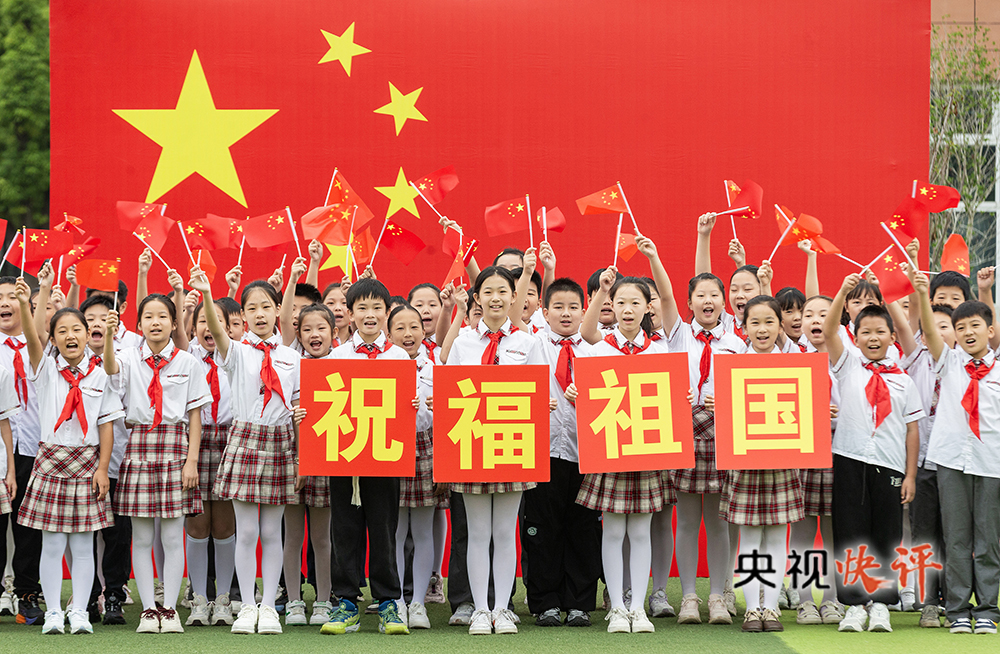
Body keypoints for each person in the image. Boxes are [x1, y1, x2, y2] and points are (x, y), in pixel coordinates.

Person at [188, 268, 300, 636]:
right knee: (247, 531)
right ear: (243, 316)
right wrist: (207, 294)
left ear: (277, 310)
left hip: (280, 441)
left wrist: (301, 457)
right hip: (245, 440)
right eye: (252, 308)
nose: (260, 314)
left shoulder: (291, 357)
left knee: (272, 532)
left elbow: (299, 408)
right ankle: (248, 605)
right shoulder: (236, 351)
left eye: (266, 306)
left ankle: (269, 607)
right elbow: (217, 332)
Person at [15, 278, 123, 634]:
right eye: (61, 331)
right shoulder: (45, 369)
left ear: (87, 334)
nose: (70, 336)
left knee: (83, 544)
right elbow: (32, 337)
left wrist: (103, 468)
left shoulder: (100, 374)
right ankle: (53, 612)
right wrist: (30, 300)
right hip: (50, 462)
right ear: (54, 338)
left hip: (87, 463)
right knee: (51, 544)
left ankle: (78, 612)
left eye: (76, 329)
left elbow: (106, 425)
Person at [443, 266, 545, 636]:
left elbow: (540, 391)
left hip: (512, 444)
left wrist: (543, 403)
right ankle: (480, 609)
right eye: (488, 291)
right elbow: (451, 389)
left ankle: (502, 608)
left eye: (503, 291)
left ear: (514, 297)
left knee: (504, 532)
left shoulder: (528, 343)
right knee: (477, 532)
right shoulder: (463, 343)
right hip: (472, 443)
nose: (496, 298)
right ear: (477, 298)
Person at [572, 261, 672, 634]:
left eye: (635, 303)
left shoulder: (659, 349)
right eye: (621, 303)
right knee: (613, 531)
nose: (628, 310)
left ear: (648, 307)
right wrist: (577, 394)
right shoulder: (599, 349)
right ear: (611, 306)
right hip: (610, 451)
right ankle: (616, 607)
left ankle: (638, 607)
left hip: (646, 451)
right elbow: (588, 399)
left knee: (641, 532)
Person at [103, 292, 211, 634]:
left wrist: (192, 461)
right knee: (142, 537)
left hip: (176, 446)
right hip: (139, 447)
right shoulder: (127, 357)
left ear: (174, 323)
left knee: (173, 536)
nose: (155, 322)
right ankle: (149, 609)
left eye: (162, 316)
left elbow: (196, 415)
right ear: (138, 324)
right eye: (148, 316)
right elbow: (110, 369)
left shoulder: (188, 362)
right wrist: (109, 336)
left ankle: (170, 609)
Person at [822, 273, 923, 633]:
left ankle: (881, 604)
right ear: (855, 337)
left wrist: (910, 475)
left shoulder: (904, 381)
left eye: (880, 331)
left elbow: (912, 431)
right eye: (865, 332)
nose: (873, 338)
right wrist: (842, 291)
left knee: (886, 535)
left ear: (892, 336)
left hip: (889, 465)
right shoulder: (847, 365)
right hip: (849, 460)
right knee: (850, 532)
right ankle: (854, 605)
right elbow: (829, 330)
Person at [513, 255, 601, 628]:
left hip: (586, 453)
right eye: (558, 307)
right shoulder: (532, 344)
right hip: (543, 451)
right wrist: (529, 272)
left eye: (573, 307)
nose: (566, 314)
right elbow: (514, 313)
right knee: (541, 529)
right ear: (544, 312)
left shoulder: (596, 351)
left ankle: (579, 602)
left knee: (583, 528)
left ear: (584, 311)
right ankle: (545, 602)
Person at [321, 278, 411, 636]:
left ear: (387, 312)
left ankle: (389, 602)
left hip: (385, 456)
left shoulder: (398, 356)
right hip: (345, 456)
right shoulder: (337, 356)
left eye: (377, 308)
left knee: (384, 530)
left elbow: (410, 412)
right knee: (344, 530)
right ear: (349, 313)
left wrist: (414, 405)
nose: (369, 314)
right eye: (362, 308)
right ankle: (345, 601)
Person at [916, 269, 1000, 635]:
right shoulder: (948, 363)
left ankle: (988, 609)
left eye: (975, 326)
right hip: (950, 460)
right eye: (960, 327)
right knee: (956, 538)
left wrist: (986, 291)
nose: (967, 332)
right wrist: (922, 295)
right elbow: (930, 330)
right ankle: (957, 610)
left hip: (991, 462)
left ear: (990, 330)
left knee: (988, 539)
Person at [717, 295, 805, 633]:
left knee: (777, 538)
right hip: (746, 462)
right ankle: (752, 609)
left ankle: (772, 607)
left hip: (782, 461)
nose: (762, 329)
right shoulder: (733, 365)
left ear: (780, 326)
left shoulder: (795, 363)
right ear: (744, 328)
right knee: (750, 538)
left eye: (770, 322)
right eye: (755, 322)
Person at [181, 297, 242, 627]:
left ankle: (223, 599)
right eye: (202, 320)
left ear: (228, 327)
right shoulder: (186, 357)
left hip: (229, 439)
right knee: (197, 524)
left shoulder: (237, 356)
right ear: (193, 328)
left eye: (216, 320)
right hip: (196, 441)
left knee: (224, 525)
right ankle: (199, 598)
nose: (209, 327)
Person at [788, 294, 845, 625]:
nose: (815, 320)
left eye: (824, 314)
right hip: (805, 452)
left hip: (840, 450)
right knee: (803, 532)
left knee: (836, 530)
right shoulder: (792, 357)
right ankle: (805, 600)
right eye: (808, 314)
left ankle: (833, 598)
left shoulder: (848, 358)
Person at [283, 302, 335, 627]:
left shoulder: (343, 363)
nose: (314, 335)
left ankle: (324, 601)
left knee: (322, 538)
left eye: (321, 328)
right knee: (292, 536)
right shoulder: (289, 364)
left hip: (326, 458)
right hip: (291, 457)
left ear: (334, 331)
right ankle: (293, 602)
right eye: (307, 329)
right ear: (298, 334)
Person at [389, 303, 437, 629]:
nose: (408, 334)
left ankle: (418, 601)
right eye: (400, 328)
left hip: (424, 446)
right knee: (394, 530)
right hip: (390, 446)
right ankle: (396, 600)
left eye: (414, 327)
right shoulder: (381, 364)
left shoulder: (434, 367)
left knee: (422, 529)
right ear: (389, 333)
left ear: (423, 331)